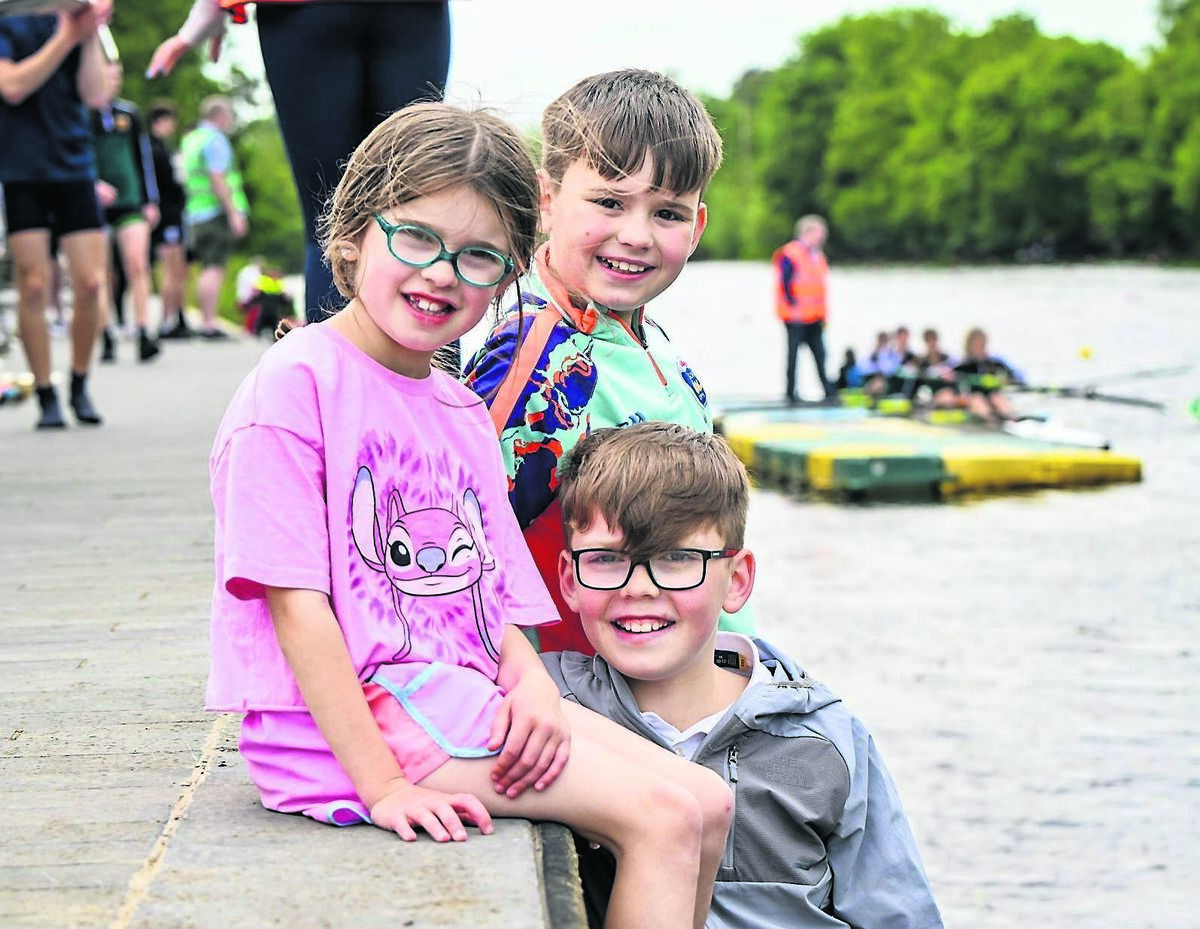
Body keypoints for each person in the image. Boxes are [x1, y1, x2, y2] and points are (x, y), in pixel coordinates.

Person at [208, 102, 732, 929]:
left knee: (705, 800)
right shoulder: (296, 383)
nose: (443, 273)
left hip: (454, 694)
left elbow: (492, 599)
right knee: (661, 820)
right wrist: (383, 785)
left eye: (480, 256)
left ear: (507, 272)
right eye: (415, 238)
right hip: (356, 726)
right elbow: (296, 607)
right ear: (350, 236)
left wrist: (531, 688)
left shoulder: (455, 407)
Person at [542, 421, 945, 929]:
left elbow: (898, 915)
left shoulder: (827, 740)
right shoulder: (547, 702)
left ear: (737, 581)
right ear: (568, 580)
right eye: (605, 560)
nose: (638, 587)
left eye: (676, 558)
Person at [463, 68, 754, 655]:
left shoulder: (653, 343)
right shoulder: (537, 360)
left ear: (697, 227)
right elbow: (469, 550)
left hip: (686, 666)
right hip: (590, 688)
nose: (637, 234)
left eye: (667, 213)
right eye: (608, 202)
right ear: (547, 201)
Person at [148, 0, 451, 321]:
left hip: (304, 12)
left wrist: (210, 11)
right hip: (414, 12)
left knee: (333, 222)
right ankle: (426, 370)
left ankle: (330, 369)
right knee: (415, 216)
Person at [0, 2, 112, 429]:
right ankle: (46, 393)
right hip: (21, 169)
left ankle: (79, 383)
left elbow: (96, 94)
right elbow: (11, 86)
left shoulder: (76, 19)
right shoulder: (9, 18)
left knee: (90, 282)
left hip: (74, 167)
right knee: (32, 284)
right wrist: (65, 34)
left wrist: (87, 35)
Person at [90, 59, 162, 363]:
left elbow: (142, 157)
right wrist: (92, 184)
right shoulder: (82, 114)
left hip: (131, 201)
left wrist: (150, 200)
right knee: (102, 271)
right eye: (109, 75)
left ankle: (144, 331)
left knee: (137, 264)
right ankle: (105, 332)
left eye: (118, 75)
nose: (115, 80)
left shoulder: (128, 114)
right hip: (95, 203)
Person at [180, 95, 247, 339]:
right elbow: (218, 178)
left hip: (195, 212)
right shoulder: (215, 140)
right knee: (214, 268)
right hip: (215, 212)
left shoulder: (192, 139)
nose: (230, 121)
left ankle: (204, 320)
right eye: (229, 115)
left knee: (204, 267)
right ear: (219, 116)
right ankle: (209, 324)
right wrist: (234, 213)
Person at [773, 214, 833, 403]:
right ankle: (791, 394)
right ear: (807, 232)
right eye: (819, 233)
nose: (822, 238)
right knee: (793, 357)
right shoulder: (790, 254)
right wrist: (792, 304)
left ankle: (828, 392)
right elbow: (785, 283)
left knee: (821, 355)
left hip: (815, 317)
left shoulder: (818, 256)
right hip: (795, 317)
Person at [146, 100, 192, 340]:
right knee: (172, 269)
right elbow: (168, 184)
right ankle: (166, 321)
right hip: (167, 216)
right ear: (161, 121)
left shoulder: (157, 147)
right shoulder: (155, 151)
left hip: (169, 214)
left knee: (175, 269)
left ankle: (174, 317)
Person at [942, 326, 1026, 423]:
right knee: (977, 398)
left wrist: (1009, 380)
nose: (979, 345)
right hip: (973, 398)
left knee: (996, 397)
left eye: (982, 342)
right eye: (976, 343)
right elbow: (945, 375)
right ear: (969, 345)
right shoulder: (962, 363)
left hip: (993, 396)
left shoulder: (996, 362)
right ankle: (989, 419)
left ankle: (1012, 418)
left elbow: (1017, 376)